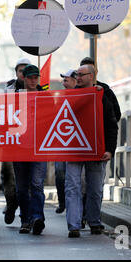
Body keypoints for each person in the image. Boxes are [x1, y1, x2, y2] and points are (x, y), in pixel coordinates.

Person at [65, 63, 118, 238]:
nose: (78, 77)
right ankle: (73, 225)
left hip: (96, 151)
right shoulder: (70, 95)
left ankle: (94, 221)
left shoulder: (102, 96)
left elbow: (112, 125)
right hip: (73, 150)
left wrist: (110, 150)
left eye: (81, 74)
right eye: (76, 74)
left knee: (95, 188)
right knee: (72, 186)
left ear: (91, 76)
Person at [13, 64, 47, 235]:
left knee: (36, 185)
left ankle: (37, 218)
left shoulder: (45, 96)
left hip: (40, 148)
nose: (34, 81)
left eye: (36, 77)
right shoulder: (14, 97)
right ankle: (25, 220)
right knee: (21, 188)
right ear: (24, 78)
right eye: (30, 77)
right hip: (19, 148)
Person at [0, 57, 32, 224]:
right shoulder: (8, 92)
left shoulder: (38, 90)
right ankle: (11, 204)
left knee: (29, 183)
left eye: (27, 70)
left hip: (31, 144)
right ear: (17, 73)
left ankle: (29, 217)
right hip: (11, 143)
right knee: (10, 179)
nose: (24, 73)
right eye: (21, 70)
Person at [54, 69, 77, 214]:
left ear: (75, 81)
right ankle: (62, 201)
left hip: (77, 144)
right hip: (61, 143)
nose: (63, 83)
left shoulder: (84, 95)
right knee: (60, 172)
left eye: (66, 80)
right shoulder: (60, 97)